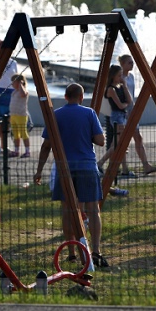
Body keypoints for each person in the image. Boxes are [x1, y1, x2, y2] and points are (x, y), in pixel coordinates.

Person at [33, 83, 109, 268]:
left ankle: (72, 252)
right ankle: (96, 250)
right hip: (86, 165)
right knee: (92, 209)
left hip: (63, 168)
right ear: (81, 97)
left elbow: (46, 146)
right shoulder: (89, 113)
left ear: (66, 97)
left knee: (68, 210)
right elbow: (100, 141)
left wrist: (39, 170)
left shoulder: (56, 115)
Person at [118, 54, 156, 175]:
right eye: (129, 63)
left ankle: (145, 165)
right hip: (125, 111)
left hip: (132, 110)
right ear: (123, 64)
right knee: (122, 140)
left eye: (132, 62)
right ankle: (123, 167)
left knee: (137, 138)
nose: (132, 65)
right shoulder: (120, 78)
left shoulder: (131, 76)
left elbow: (132, 93)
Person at [97, 65, 133, 176]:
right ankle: (100, 163)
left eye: (122, 75)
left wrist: (125, 86)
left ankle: (122, 169)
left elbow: (129, 100)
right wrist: (125, 104)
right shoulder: (111, 89)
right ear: (113, 76)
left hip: (123, 116)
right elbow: (120, 105)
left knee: (119, 144)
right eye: (119, 75)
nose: (121, 77)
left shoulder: (121, 87)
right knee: (119, 144)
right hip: (117, 117)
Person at [8, 74, 30, 158]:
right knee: (15, 134)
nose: (12, 84)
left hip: (21, 115)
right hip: (13, 115)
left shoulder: (24, 91)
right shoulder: (14, 92)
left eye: (14, 82)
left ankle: (27, 150)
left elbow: (23, 94)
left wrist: (21, 84)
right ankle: (16, 150)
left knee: (23, 133)